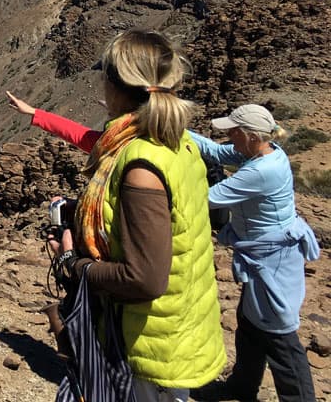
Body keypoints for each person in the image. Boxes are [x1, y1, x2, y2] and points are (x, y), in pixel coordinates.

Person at [13, 29, 226, 402]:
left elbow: (142, 279)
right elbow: (86, 138)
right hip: (173, 329)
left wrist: (73, 262)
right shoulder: (175, 142)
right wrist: (38, 116)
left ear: (117, 86)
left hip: (148, 347)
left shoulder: (140, 164)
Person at [189, 105, 319, 402]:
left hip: (272, 261)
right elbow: (215, 151)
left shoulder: (262, 171)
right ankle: (241, 386)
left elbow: (205, 198)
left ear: (249, 135)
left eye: (233, 131)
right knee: (249, 323)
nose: (229, 136)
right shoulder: (261, 151)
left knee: (278, 333)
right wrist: (171, 127)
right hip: (262, 257)